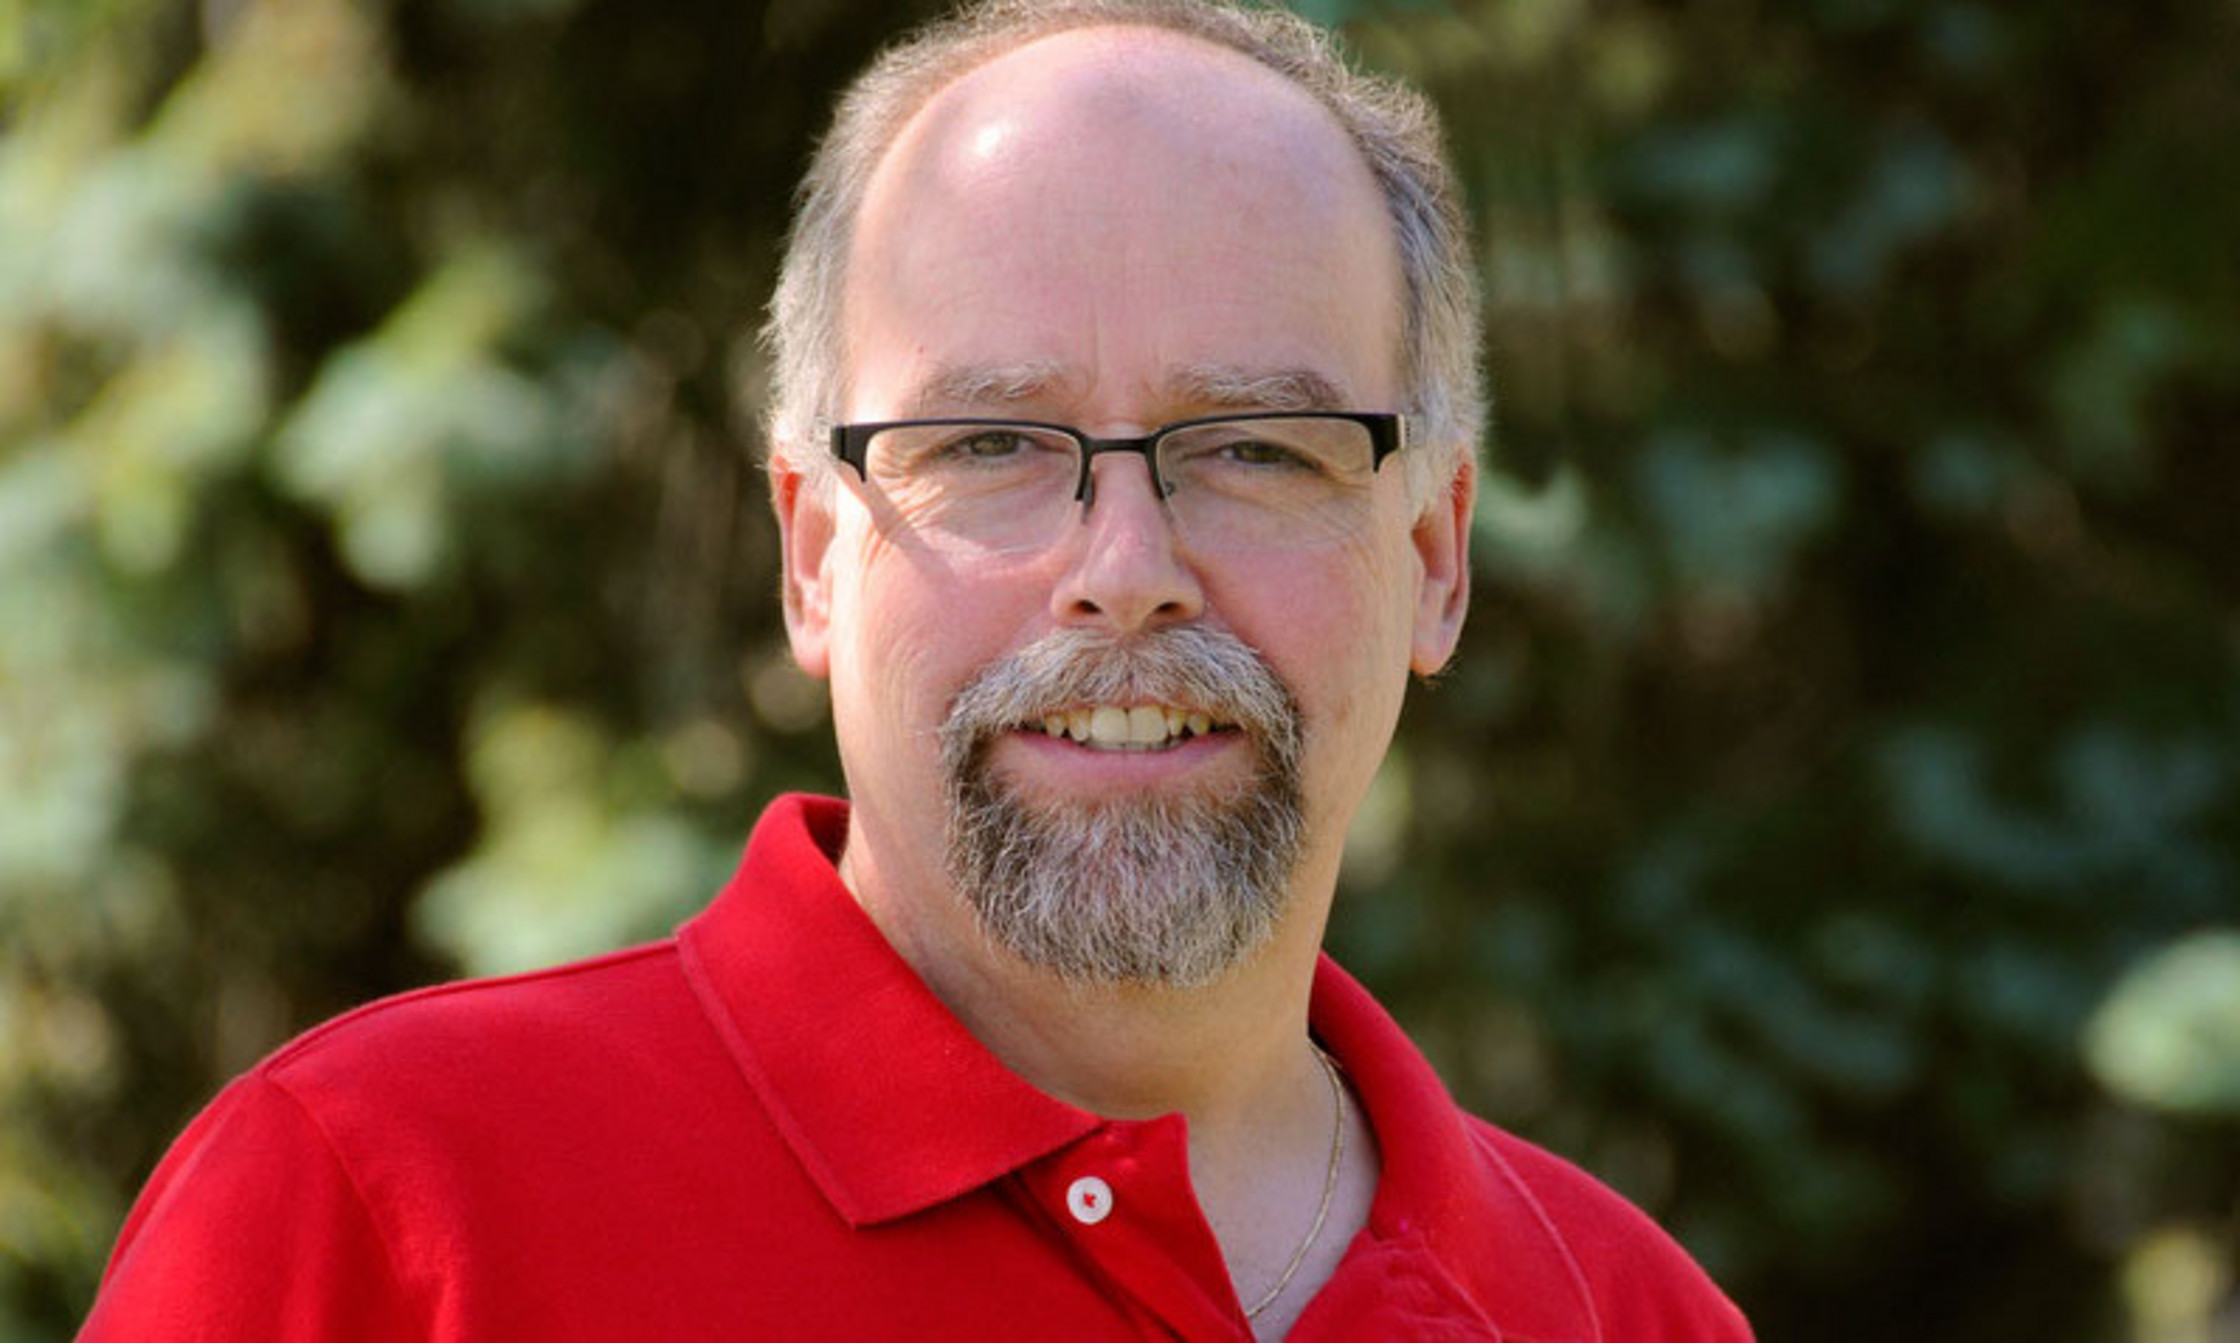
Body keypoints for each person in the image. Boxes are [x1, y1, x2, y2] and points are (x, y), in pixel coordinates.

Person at [80, 1, 1751, 1338]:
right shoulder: (384, 1211)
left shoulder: (1627, 1316)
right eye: (991, 445)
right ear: (813, 552)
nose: (1123, 575)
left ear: (1434, 556)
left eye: (1256, 447)